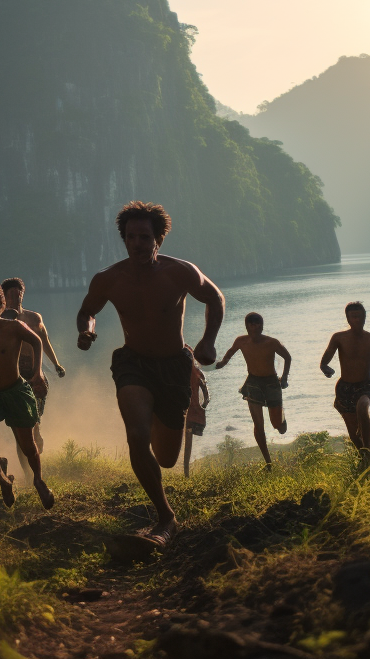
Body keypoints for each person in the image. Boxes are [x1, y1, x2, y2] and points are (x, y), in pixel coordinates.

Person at [76, 201, 225, 546]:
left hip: (174, 366)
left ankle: (163, 416)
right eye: (131, 237)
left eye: (145, 237)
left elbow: (214, 298)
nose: (137, 244)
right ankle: (165, 518)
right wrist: (86, 330)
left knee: (167, 458)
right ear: (123, 240)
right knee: (136, 435)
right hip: (133, 363)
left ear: (159, 239)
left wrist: (208, 341)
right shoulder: (108, 279)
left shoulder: (180, 272)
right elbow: (87, 310)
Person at [0, 283, 55, 509]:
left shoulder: (14, 327)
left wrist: (37, 374)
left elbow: (36, 340)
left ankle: (38, 480)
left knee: (28, 445)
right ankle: (5, 482)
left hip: (16, 391)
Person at [0, 278, 65, 481]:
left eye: (17, 292)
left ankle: (36, 429)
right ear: (4, 297)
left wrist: (56, 364)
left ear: (22, 294)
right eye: (10, 293)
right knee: (20, 429)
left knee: (32, 424)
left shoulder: (34, 318)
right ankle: (29, 475)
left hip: (36, 375)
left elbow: (45, 342)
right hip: (14, 377)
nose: (14, 296)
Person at [319, 301, 370, 467]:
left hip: (365, 385)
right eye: (354, 317)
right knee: (354, 433)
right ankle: (365, 459)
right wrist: (325, 367)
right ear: (348, 318)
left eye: (360, 316)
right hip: (345, 388)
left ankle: (369, 452)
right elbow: (325, 359)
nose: (357, 320)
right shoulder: (339, 338)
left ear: (365, 317)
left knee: (362, 407)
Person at [215, 312, 293, 469]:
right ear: (247, 327)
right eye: (252, 325)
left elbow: (288, 357)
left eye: (258, 325)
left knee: (279, 427)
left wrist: (284, 378)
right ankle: (268, 462)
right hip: (253, 382)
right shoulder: (241, 341)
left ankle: (281, 419)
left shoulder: (272, 342)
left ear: (262, 326)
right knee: (258, 424)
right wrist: (222, 363)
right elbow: (230, 352)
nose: (256, 328)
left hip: (271, 382)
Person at [182, 353, 209, 477]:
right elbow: (207, 398)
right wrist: (201, 406)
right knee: (188, 441)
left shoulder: (178, 370)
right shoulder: (197, 372)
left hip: (180, 411)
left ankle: (185, 471)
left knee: (182, 439)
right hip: (193, 412)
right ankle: (186, 471)